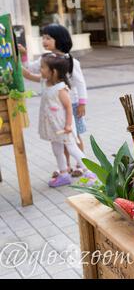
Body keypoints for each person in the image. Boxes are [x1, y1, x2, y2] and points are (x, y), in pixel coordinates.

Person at [20, 24, 88, 178]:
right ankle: (66, 167)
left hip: (72, 104)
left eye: (48, 38)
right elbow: (31, 69)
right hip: (54, 106)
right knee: (60, 137)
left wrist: (82, 103)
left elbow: (80, 83)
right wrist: (24, 56)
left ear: (59, 39)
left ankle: (81, 166)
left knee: (74, 137)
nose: (44, 40)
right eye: (43, 37)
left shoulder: (71, 61)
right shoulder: (45, 59)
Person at [23, 53, 93, 187]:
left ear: (53, 72)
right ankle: (63, 174)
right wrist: (19, 65)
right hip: (53, 126)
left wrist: (68, 125)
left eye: (42, 67)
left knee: (73, 149)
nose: (40, 69)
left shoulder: (61, 89)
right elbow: (29, 75)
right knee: (56, 149)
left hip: (63, 125)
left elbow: (68, 108)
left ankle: (90, 172)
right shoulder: (45, 81)